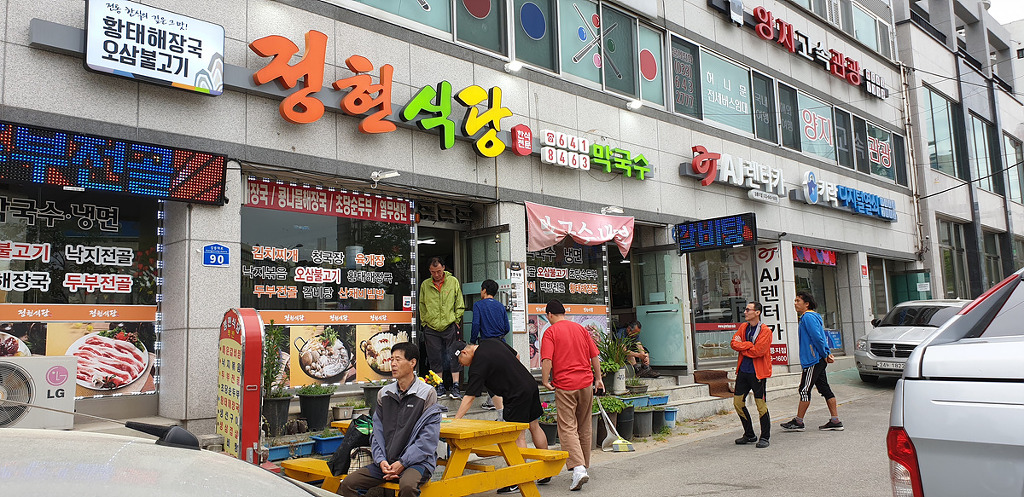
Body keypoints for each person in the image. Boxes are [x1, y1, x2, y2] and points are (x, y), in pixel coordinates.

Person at [337, 342, 443, 497]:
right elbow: (377, 433)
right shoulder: (384, 393)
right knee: (348, 484)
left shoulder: (427, 393)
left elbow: (428, 439)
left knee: (407, 487)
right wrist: (381, 460)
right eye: (392, 359)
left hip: (417, 462)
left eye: (398, 359)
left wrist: (403, 463)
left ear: (412, 362)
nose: (392, 363)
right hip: (386, 462)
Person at [453, 339, 550, 493]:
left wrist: (456, 420)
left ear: (465, 352)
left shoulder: (478, 364)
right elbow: (516, 356)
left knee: (518, 436)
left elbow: (470, 397)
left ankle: (518, 479)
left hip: (516, 395)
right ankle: (547, 470)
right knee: (534, 426)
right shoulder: (491, 342)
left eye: (461, 363)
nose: (463, 366)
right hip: (530, 385)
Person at [540, 300, 603, 492]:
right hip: (586, 383)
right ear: (564, 313)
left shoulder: (550, 332)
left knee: (567, 427)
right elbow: (594, 355)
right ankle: (583, 465)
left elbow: (547, 359)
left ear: (549, 315)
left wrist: (545, 380)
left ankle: (578, 469)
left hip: (565, 385)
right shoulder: (580, 329)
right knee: (584, 425)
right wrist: (598, 379)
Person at [780, 291, 844, 432]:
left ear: (806, 303)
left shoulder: (808, 317)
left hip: (813, 360)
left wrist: (825, 353)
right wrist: (826, 353)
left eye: (798, 301)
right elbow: (821, 336)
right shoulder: (811, 317)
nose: (795, 303)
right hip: (817, 358)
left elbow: (817, 338)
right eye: (795, 301)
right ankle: (835, 421)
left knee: (804, 389)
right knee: (824, 388)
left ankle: (799, 422)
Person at [418, 256, 465, 399]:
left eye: (438, 271)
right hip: (431, 327)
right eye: (433, 272)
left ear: (443, 268)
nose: (436, 275)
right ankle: (440, 385)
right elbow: (422, 305)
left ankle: (455, 386)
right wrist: (425, 322)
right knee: (435, 357)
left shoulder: (453, 281)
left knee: (454, 355)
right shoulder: (425, 285)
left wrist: (456, 319)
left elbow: (459, 302)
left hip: (449, 325)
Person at [730, 302, 773, 448]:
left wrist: (743, 346)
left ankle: (765, 436)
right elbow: (733, 343)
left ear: (757, 312)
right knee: (738, 403)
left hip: (758, 373)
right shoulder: (743, 327)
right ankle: (749, 434)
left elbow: (758, 351)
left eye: (748, 310)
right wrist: (748, 345)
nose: (745, 312)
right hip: (743, 371)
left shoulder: (765, 331)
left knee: (760, 404)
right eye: (745, 309)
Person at [470, 279, 510, 412]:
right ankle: (493, 400)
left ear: (484, 290)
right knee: (498, 372)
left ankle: (494, 402)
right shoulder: (500, 306)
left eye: (481, 289)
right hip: (501, 343)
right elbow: (507, 328)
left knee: (487, 373)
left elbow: (476, 324)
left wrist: (472, 341)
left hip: (487, 343)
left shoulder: (478, 305)